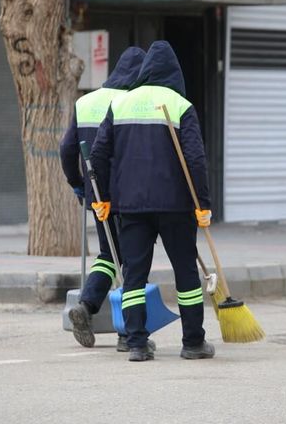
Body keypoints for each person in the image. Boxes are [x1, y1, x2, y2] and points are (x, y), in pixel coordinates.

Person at [89, 40, 214, 362]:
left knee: (134, 276)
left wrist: (99, 198)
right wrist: (203, 203)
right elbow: (196, 160)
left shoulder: (121, 104)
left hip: (130, 207)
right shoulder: (180, 105)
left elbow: (99, 154)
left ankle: (136, 344)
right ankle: (193, 343)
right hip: (176, 206)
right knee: (186, 272)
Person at [59, 46, 146, 351]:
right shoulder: (130, 102)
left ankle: (87, 307)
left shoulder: (86, 102)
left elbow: (67, 148)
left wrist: (77, 182)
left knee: (110, 253)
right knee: (130, 257)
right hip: (125, 193)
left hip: (96, 192)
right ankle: (127, 333)